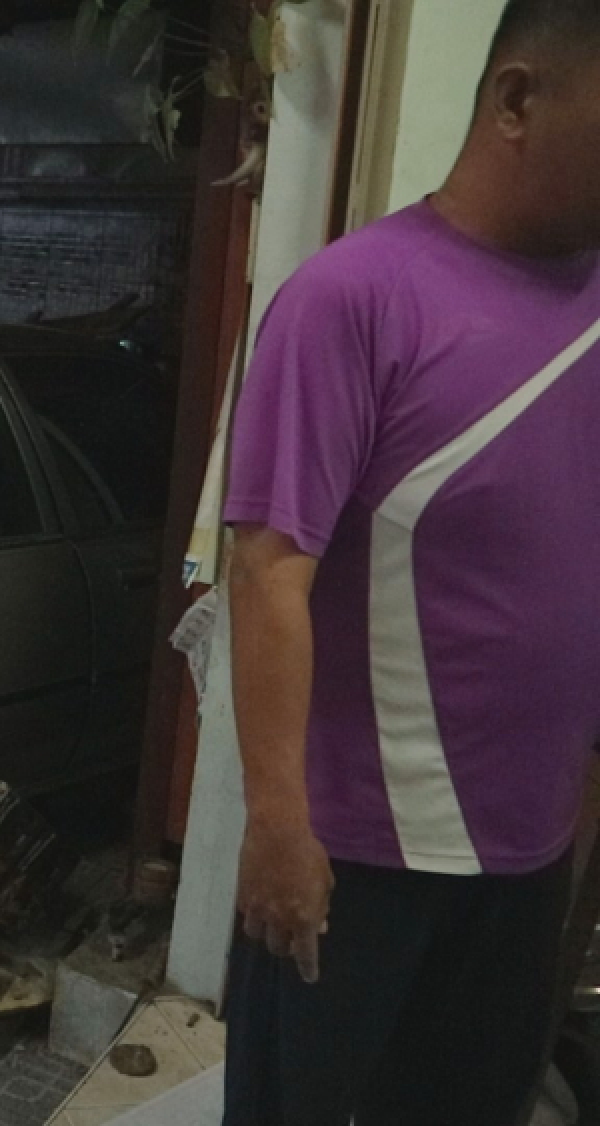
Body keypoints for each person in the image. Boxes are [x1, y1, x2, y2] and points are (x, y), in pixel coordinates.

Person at [221, 1, 600, 1121]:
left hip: (528, 853)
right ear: (516, 100)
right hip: (359, 861)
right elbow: (266, 571)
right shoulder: (353, 300)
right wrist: (276, 825)